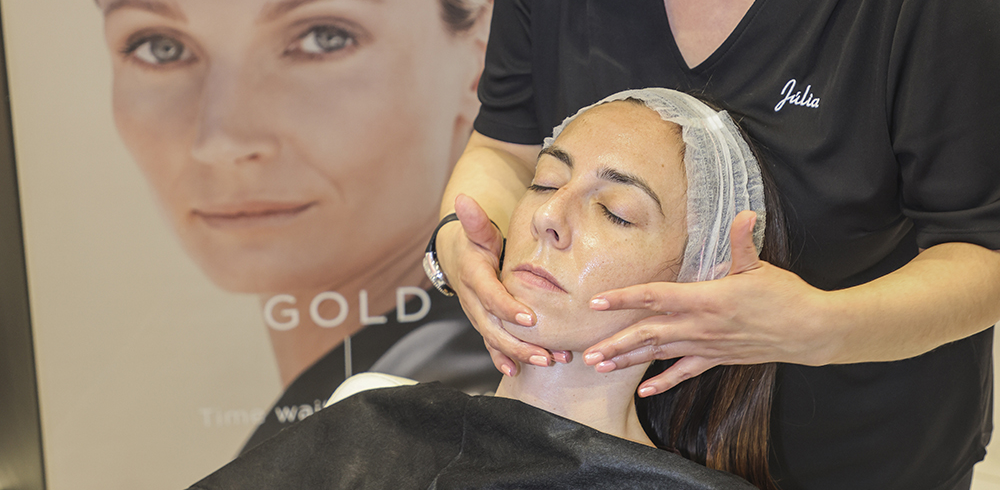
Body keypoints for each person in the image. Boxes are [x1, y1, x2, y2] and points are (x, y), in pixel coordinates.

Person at [433, 0, 1000, 489]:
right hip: (611, 458)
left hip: (856, 454)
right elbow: (505, 145)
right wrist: (457, 246)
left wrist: (820, 327)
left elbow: (983, 248)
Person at [87, 0, 503, 451]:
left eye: (322, 37)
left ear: (480, 59)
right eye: (160, 47)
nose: (221, 138)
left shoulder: (452, 433)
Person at [187, 88, 785, 490]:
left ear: (697, 282)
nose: (548, 217)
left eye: (615, 212)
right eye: (545, 182)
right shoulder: (373, 415)